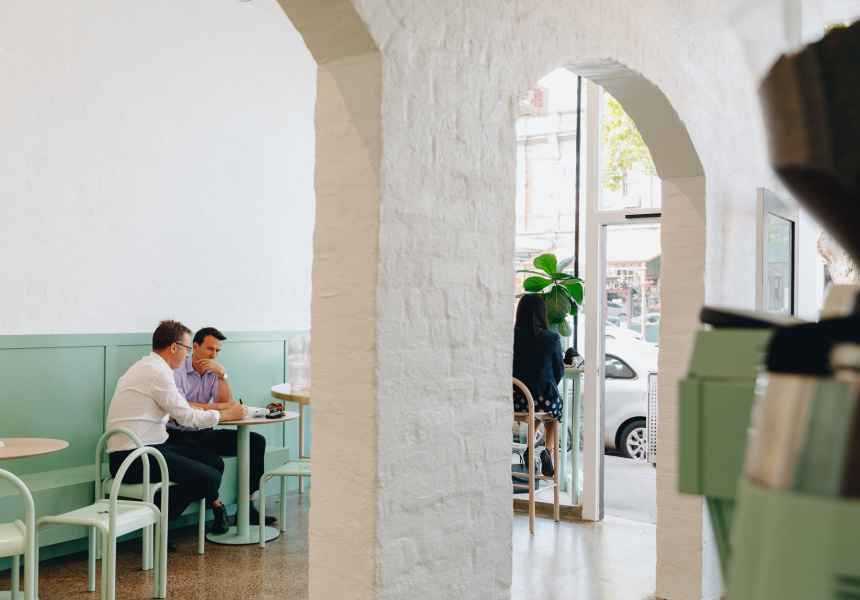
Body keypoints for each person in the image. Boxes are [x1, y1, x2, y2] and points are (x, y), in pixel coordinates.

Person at [106, 320, 246, 541]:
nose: (188, 354)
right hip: (133, 457)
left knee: (216, 464)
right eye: (187, 348)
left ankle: (159, 519)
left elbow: (179, 411)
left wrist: (219, 409)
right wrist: (226, 414)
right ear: (174, 347)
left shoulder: (148, 366)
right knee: (210, 477)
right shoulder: (159, 373)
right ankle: (156, 523)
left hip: (147, 448)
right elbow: (186, 417)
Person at [166, 327, 276, 526]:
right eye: (210, 349)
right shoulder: (177, 371)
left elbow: (225, 402)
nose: (213, 355)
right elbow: (183, 409)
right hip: (177, 434)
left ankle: (247, 507)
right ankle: (218, 508)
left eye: (217, 351)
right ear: (195, 347)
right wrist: (224, 408)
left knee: (255, 442)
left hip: (204, 430)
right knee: (206, 458)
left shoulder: (214, 372)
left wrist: (223, 375)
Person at [512, 293, 565, 476]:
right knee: (552, 405)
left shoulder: (510, 336)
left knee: (533, 401)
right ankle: (547, 450)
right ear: (543, 313)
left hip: (516, 401)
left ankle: (529, 447)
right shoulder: (551, 338)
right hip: (543, 402)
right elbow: (558, 372)